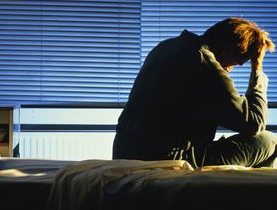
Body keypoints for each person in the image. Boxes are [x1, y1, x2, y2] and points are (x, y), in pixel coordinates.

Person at [113, 17, 277, 168]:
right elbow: (254, 123)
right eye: (236, 64)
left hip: (124, 152)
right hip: (166, 158)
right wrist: (257, 70)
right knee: (269, 141)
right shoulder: (205, 65)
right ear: (227, 51)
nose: (229, 70)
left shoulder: (166, 47)